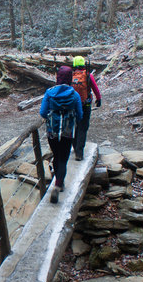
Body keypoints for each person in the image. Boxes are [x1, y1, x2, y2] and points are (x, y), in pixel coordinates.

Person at [40, 66, 82, 204]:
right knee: (63, 159)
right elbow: (80, 115)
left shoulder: (49, 92)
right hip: (67, 132)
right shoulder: (74, 94)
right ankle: (58, 185)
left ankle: (58, 182)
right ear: (70, 78)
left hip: (52, 131)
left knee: (56, 156)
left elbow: (43, 112)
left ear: (58, 77)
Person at [70, 56, 102, 160]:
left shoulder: (71, 75)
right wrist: (98, 99)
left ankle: (75, 147)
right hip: (85, 105)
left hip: (72, 105)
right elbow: (95, 89)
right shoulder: (88, 75)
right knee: (82, 128)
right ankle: (79, 153)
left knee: (73, 127)